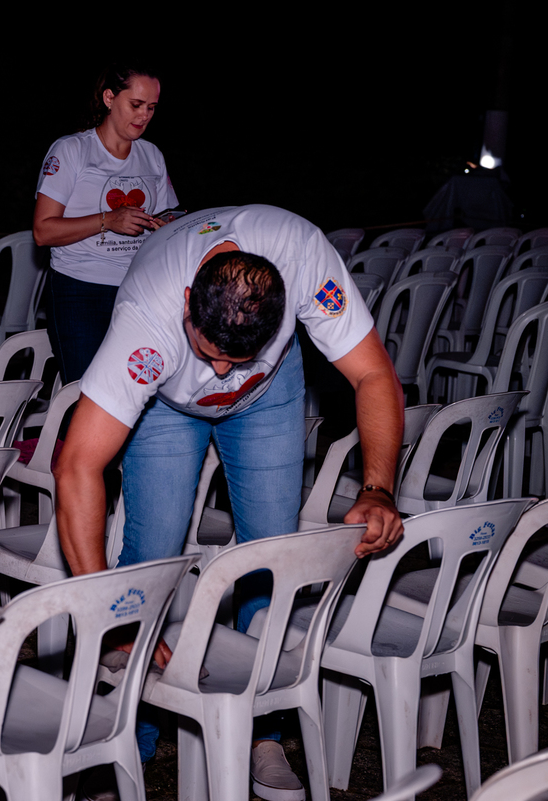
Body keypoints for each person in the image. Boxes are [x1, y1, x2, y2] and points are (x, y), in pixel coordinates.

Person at [54, 205, 404, 801]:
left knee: (271, 555)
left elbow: (374, 375)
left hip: (268, 395)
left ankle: (263, 732)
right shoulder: (148, 316)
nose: (219, 373)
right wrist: (107, 615)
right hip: (165, 402)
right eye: (211, 352)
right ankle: (124, 741)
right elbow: (76, 467)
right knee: (152, 555)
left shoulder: (304, 257)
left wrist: (377, 489)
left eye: (234, 360)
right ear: (188, 301)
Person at [34, 61, 179, 384]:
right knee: (86, 391)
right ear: (109, 98)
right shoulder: (72, 150)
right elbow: (43, 231)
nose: (144, 115)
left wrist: (169, 227)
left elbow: (167, 218)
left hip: (138, 290)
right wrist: (108, 220)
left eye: (152, 107)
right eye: (136, 104)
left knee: (135, 389)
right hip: (80, 289)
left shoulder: (152, 155)